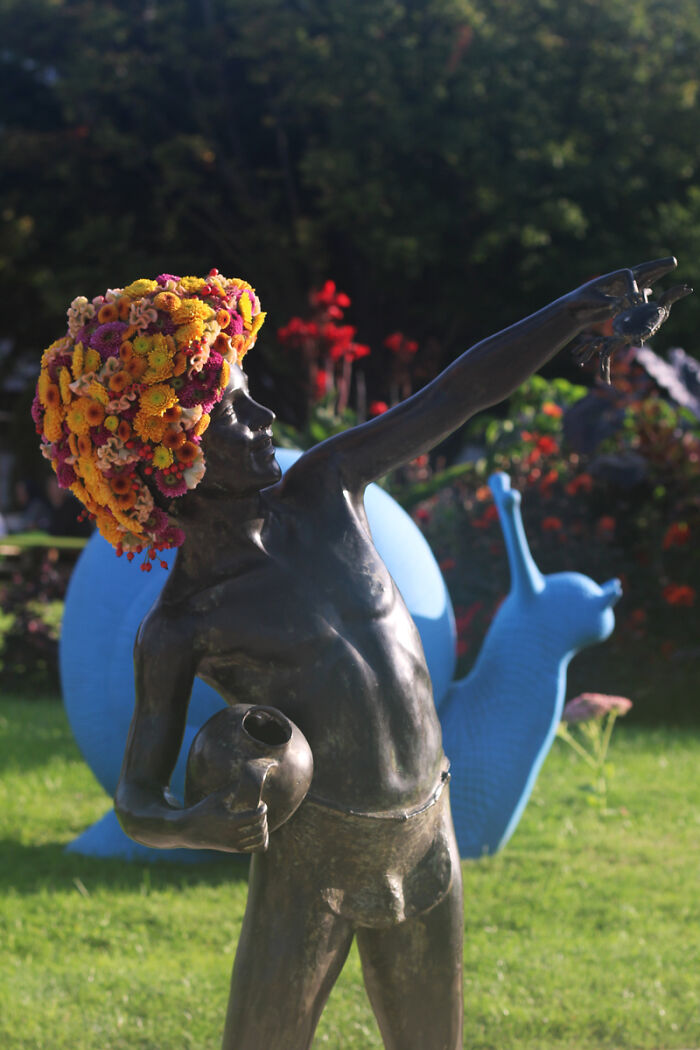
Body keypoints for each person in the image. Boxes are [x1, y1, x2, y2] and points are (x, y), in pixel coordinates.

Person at [36, 259, 678, 1050]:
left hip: (427, 837)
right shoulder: (184, 624)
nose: (269, 416)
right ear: (175, 459)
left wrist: (576, 313)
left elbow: (457, 392)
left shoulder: (328, 486)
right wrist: (200, 825)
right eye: (237, 411)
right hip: (313, 866)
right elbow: (138, 800)